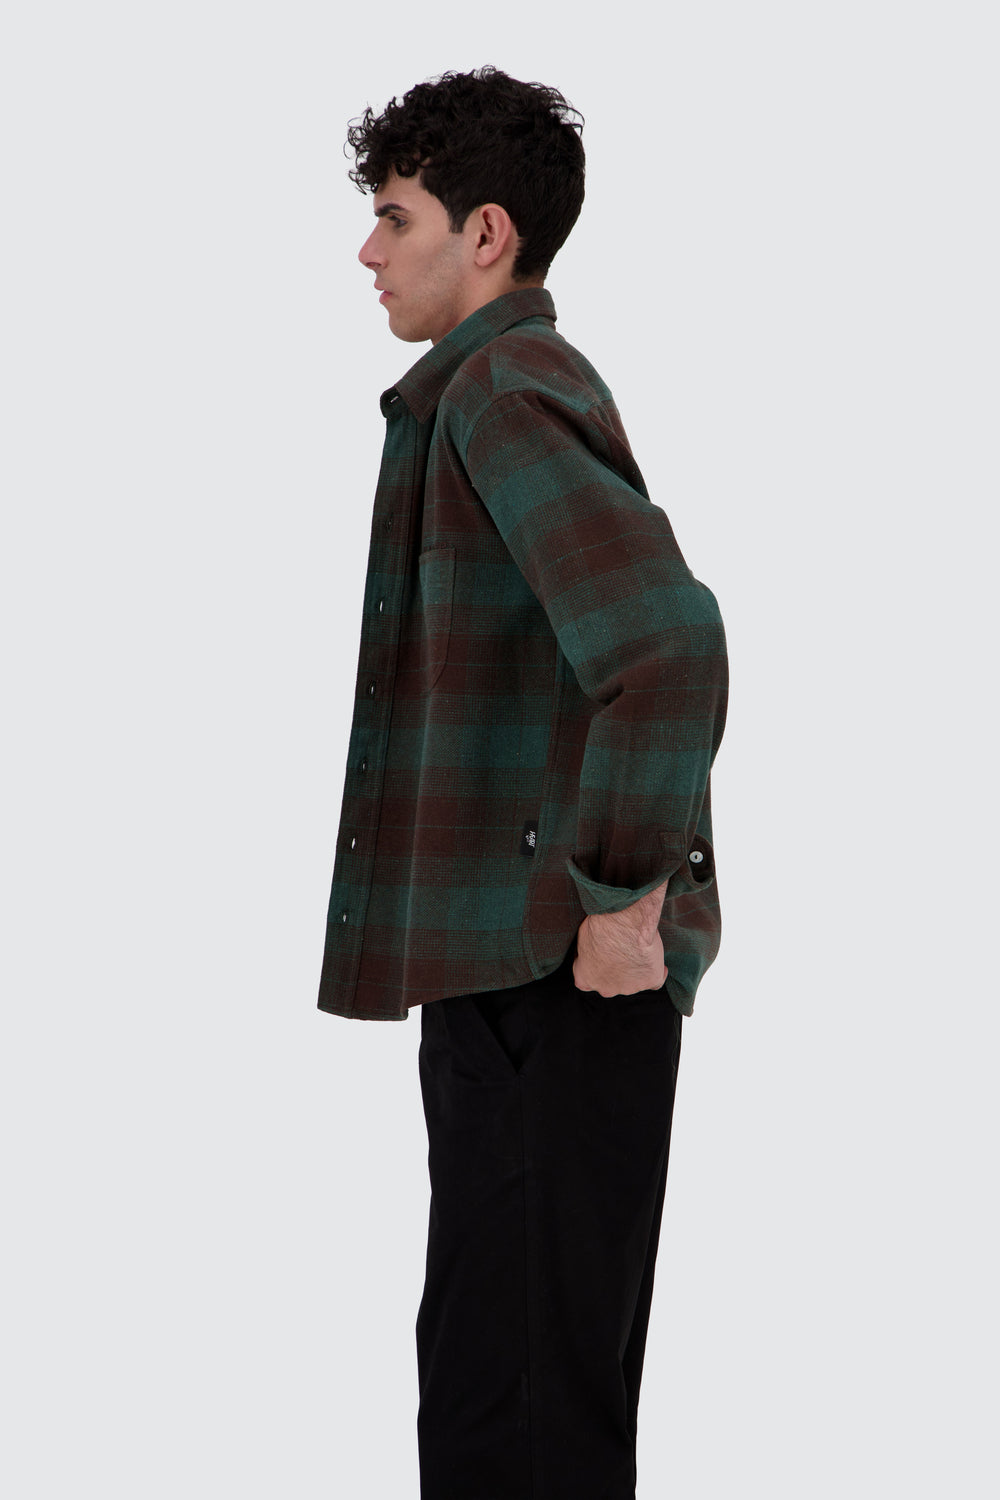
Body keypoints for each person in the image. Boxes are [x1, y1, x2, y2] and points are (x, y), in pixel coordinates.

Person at [317, 66, 728, 1500]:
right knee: (503, 1393)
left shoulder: (501, 389)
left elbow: (668, 647)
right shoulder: (482, 394)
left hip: (558, 984)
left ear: (485, 233)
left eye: (395, 217)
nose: (367, 251)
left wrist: (621, 903)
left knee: (524, 1420)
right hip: (515, 982)